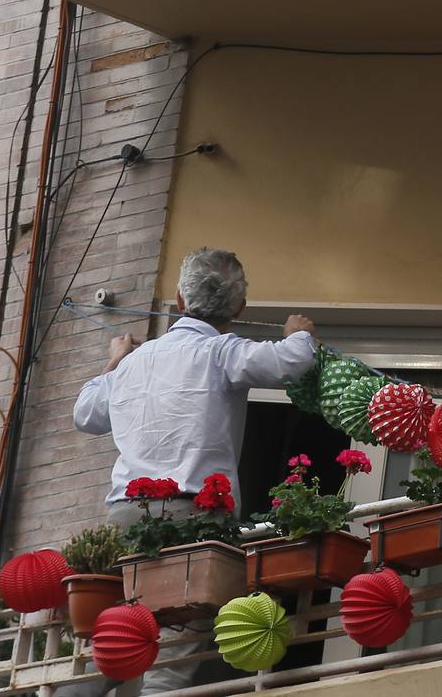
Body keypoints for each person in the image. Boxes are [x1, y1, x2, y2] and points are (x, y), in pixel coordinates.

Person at [71, 247, 317, 694]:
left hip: (124, 516)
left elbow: (86, 413)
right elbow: (291, 362)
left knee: (113, 643)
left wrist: (116, 357)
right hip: (196, 517)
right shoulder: (221, 351)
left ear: (180, 301)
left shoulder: (134, 364)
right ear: (239, 308)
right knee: (173, 655)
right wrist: (298, 333)